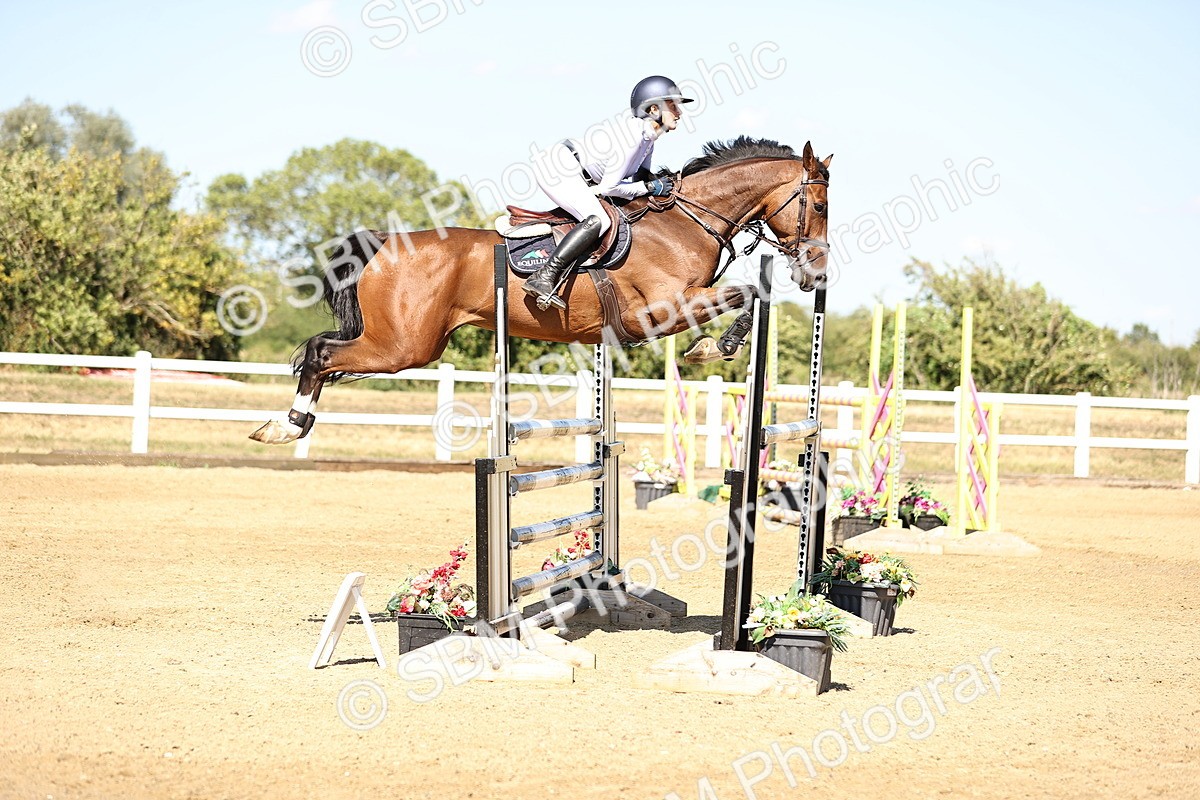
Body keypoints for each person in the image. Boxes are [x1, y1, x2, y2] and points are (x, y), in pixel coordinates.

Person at [522, 75, 693, 309]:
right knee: (599, 220)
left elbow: (640, 179)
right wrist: (650, 187)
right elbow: (609, 188)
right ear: (654, 108)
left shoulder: (648, 139)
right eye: (673, 105)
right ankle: (543, 277)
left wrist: (666, 185)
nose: (679, 113)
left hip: (574, 170)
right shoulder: (634, 136)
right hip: (557, 168)